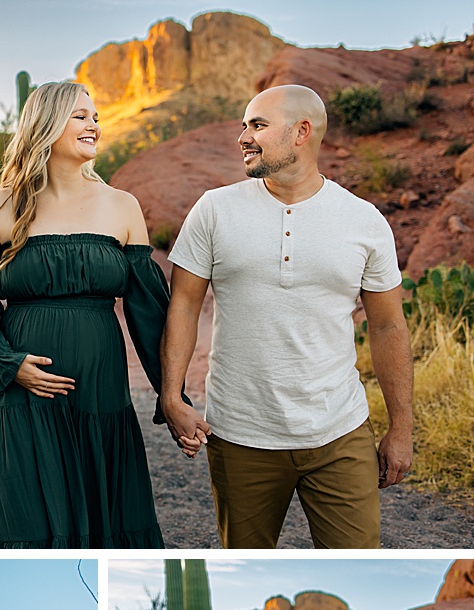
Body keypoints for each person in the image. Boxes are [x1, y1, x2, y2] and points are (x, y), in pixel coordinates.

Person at [160, 84, 414, 548]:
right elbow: (184, 304)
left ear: (301, 132)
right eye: (243, 126)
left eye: (257, 125)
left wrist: (402, 428)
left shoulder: (364, 220)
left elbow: (388, 325)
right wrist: (171, 395)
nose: (243, 137)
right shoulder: (214, 210)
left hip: (339, 432)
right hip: (239, 435)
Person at [0, 81, 200, 548]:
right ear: (46, 124)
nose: (94, 124)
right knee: (26, 519)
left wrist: (173, 399)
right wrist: (11, 365)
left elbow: (150, 319)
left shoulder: (122, 206)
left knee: (107, 517)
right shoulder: (1, 206)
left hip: (101, 395)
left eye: (96, 116)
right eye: (80, 116)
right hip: (22, 398)